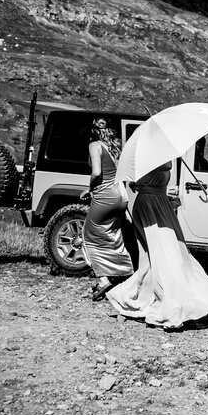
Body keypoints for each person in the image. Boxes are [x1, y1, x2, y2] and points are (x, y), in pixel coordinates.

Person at [106, 161, 208, 329]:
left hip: (157, 204)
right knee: (162, 253)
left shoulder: (153, 158)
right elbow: (141, 183)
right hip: (151, 205)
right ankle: (164, 299)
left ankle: (147, 297)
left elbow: (137, 185)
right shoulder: (158, 157)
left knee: (168, 253)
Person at [81, 118, 133, 301]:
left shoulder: (95, 145)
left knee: (89, 236)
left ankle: (103, 280)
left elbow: (96, 172)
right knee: (113, 235)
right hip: (121, 196)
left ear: (93, 131)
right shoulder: (116, 147)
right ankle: (126, 272)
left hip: (105, 196)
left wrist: (90, 188)